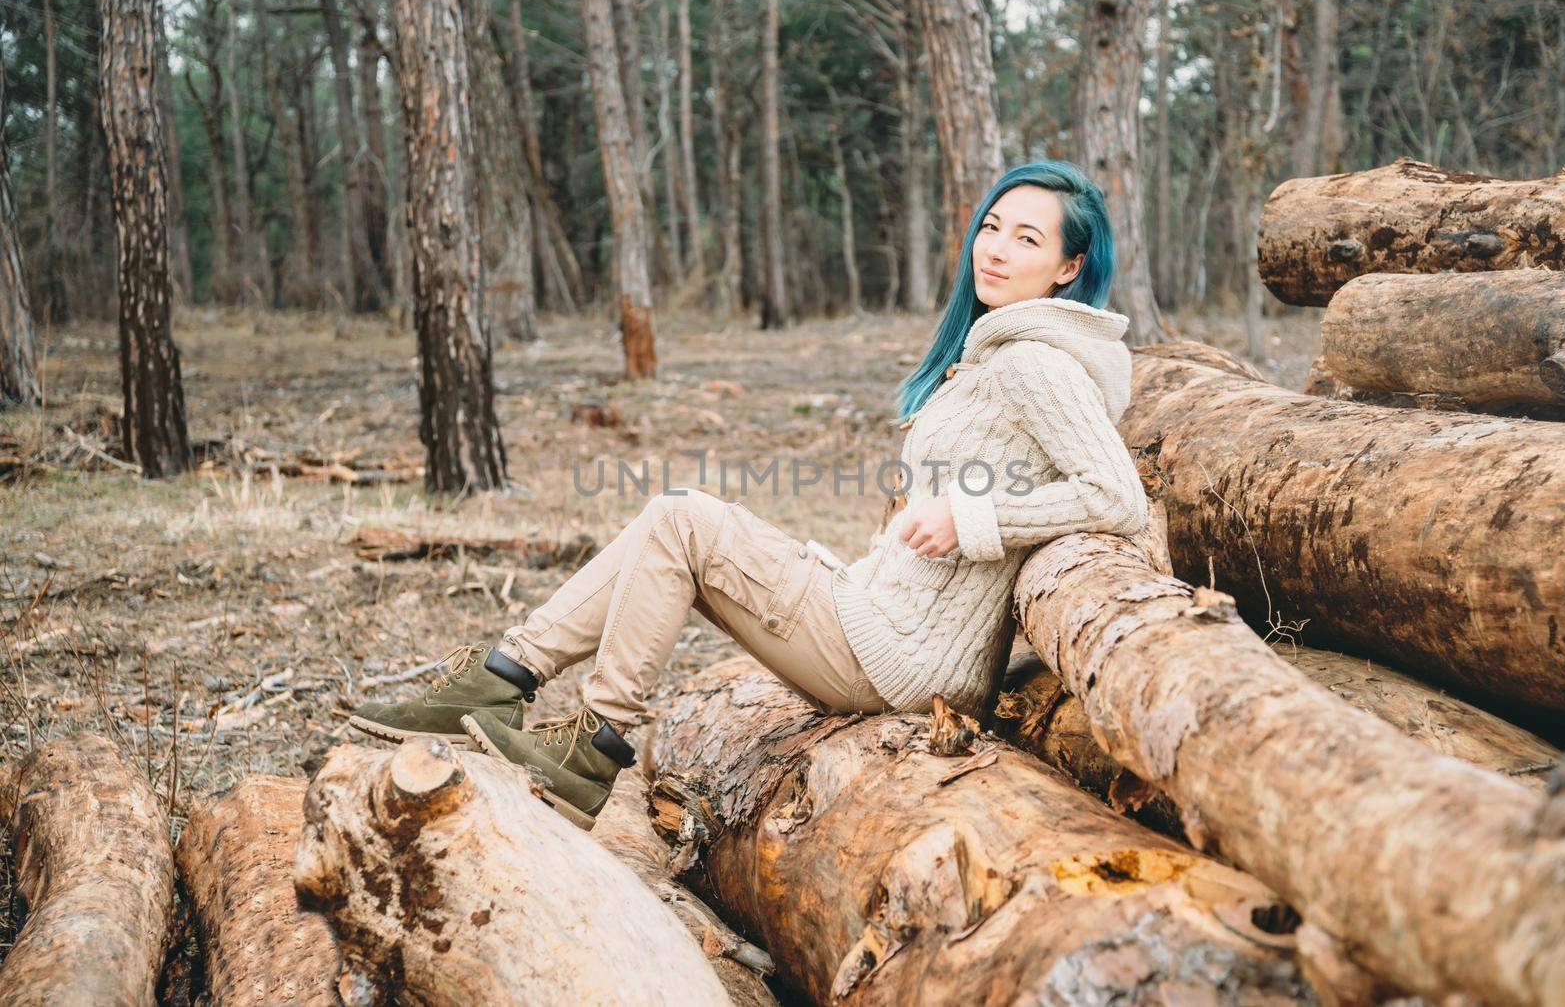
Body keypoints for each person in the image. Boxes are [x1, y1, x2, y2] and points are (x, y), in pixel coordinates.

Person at [349, 160, 1147, 830]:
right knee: (672, 521)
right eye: (992, 226)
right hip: (883, 625)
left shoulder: (1037, 363)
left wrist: (973, 516)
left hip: (906, 663)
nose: (998, 248)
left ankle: (585, 739)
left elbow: (1117, 497)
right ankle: (504, 678)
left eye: (1028, 238)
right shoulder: (997, 352)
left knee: (682, 521)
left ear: (1069, 267)